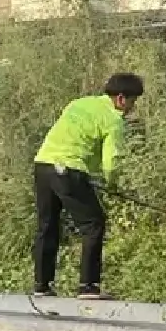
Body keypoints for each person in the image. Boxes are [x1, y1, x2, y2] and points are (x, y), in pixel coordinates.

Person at [32, 73, 143, 299]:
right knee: (93, 223)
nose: (132, 107)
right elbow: (111, 161)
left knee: (47, 225)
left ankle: (42, 286)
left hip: (42, 164)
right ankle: (88, 286)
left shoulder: (79, 103)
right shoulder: (114, 119)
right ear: (121, 99)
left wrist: (90, 174)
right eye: (132, 101)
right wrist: (113, 183)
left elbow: (81, 142)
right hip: (68, 168)